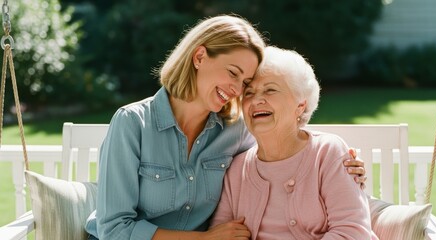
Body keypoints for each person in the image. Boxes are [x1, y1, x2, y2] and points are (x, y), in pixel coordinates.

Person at [84, 15, 366, 240]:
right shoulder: (133, 123)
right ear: (199, 57)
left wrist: (342, 165)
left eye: (244, 82)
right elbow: (114, 229)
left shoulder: (236, 131)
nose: (236, 89)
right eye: (233, 73)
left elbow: (281, 153)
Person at [210, 46, 377, 239]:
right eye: (248, 93)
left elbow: (352, 231)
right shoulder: (237, 169)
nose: (256, 100)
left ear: (300, 105)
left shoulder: (327, 152)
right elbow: (221, 232)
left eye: (270, 90)